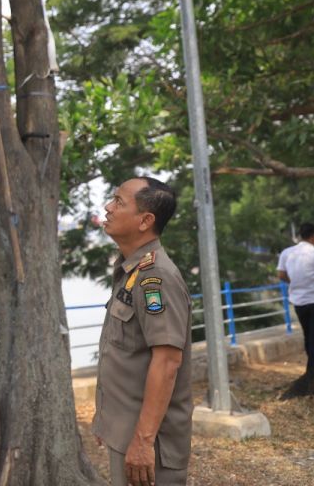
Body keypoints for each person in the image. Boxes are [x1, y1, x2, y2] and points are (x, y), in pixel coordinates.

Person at [93, 177, 192, 486]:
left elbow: (167, 363)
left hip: (149, 443)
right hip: (126, 433)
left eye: (119, 202)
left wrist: (144, 442)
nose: (108, 208)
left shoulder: (156, 276)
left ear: (145, 221)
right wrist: (105, 420)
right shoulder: (132, 269)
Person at [278, 223, 314, 372]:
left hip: (299, 302)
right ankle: (313, 373)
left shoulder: (287, 253)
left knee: (309, 338)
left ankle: (312, 371)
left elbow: (281, 275)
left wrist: (296, 281)